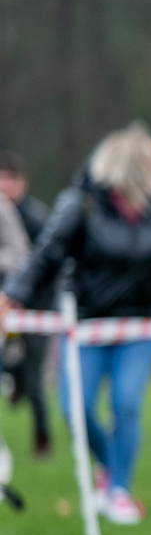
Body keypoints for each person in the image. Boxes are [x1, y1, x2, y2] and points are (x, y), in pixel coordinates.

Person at [0, 123, 151, 525]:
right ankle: (111, 465)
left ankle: (118, 491)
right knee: (75, 408)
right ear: (131, 165)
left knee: (126, 404)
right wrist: (14, 295)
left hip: (142, 324)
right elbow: (46, 254)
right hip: (87, 322)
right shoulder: (81, 203)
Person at [0, 152, 53, 457]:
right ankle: (14, 374)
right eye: (1, 177)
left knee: (35, 379)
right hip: (4, 307)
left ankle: (42, 437)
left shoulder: (38, 218)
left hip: (35, 307)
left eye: (11, 178)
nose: (6, 185)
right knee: (9, 364)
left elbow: (46, 264)